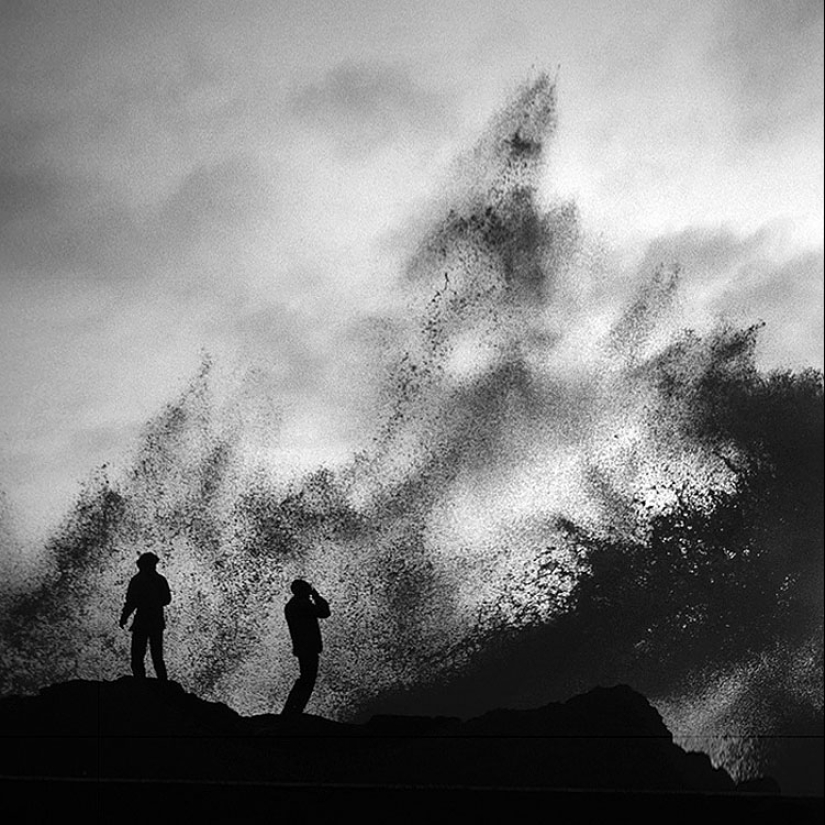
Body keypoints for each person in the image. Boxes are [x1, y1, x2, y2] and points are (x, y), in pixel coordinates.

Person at [119, 552, 172, 680]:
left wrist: (124, 617)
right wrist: (155, 602)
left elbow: (131, 602)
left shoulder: (137, 580)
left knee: (138, 656)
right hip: (155, 622)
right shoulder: (160, 580)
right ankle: (162, 684)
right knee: (156, 657)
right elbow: (167, 599)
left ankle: (141, 683)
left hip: (142, 622)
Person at [282, 579, 330, 716]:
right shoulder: (302, 604)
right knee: (307, 680)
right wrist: (317, 597)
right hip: (308, 647)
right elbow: (324, 612)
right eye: (308, 589)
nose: (310, 592)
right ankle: (293, 711)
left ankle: (292, 710)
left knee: (305, 679)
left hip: (303, 646)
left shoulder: (293, 604)